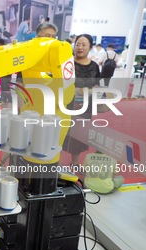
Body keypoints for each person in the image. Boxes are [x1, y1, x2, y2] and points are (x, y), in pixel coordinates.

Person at [63, 34, 101, 167]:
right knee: (61, 133)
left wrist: (91, 91)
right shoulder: (67, 63)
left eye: (84, 45)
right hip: (66, 104)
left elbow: (96, 85)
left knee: (79, 135)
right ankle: (53, 163)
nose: (80, 47)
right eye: (78, 44)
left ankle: (75, 163)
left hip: (84, 106)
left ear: (90, 47)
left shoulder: (94, 66)